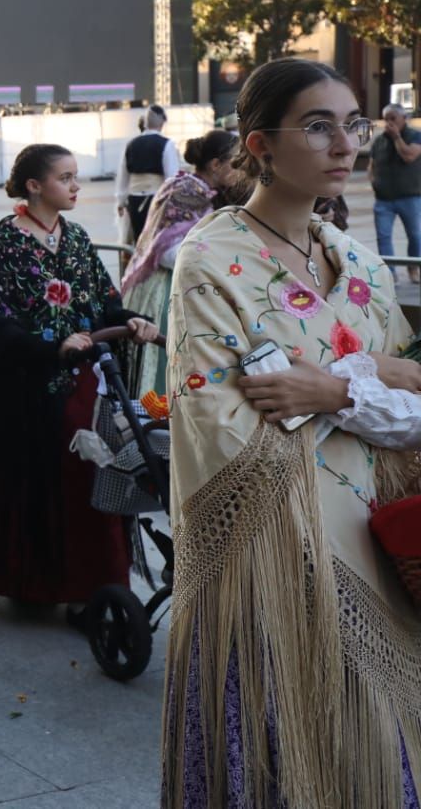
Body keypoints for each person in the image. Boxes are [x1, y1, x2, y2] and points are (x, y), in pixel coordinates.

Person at [161, 58, 421, 806]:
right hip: (277, 554)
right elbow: (221, 421)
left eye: (354, 125)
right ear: (261, 144)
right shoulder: (213, 261)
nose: (345, 145)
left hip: (384, 544)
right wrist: (374, 387)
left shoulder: (360, 262)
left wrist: (335, 386)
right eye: (318, 126)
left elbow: (415, 394)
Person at [0, 143, 158, 610]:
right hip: (25, 387)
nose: (75, 185)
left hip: (81, 381)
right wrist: (52, 348)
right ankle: (42, 584)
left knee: (93, 471)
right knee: (48, 480)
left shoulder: (78, 236)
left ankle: (96, 590)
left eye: (75, 175)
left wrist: (132, 320)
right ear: (34, 185)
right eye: (65, 177)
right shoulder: (7, 239)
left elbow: (103, 302)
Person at [119, 130, 237, 398]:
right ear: (215, 165)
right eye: (235, 162)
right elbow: (166, 250)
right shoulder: (185, 190)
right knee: (166, 364)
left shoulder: (206, 190)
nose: (240, 169)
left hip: (186, 282)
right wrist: (214, 260)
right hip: (163, 289)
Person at [370, 101, 421, 281]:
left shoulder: (415, 136)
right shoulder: (379, 140)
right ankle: (390, 274)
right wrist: (374, 182)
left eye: (393, 118)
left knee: (416, 236)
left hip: (410, 197)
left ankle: (413, 269)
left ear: (404, 118)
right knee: (383, 237)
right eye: (386, 119)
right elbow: (372, 165)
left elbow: (408, 156)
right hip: (383, 199)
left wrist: (397, 137)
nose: (389, 123)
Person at [115, 103, 180, 244]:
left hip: (134, 199)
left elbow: (123, 176)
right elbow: (172, 177)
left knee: (139, 241)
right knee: (155, 241)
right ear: (163, 122)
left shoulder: (131, 144)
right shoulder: (166, 144)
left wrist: (120, 201)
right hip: (157, 199)